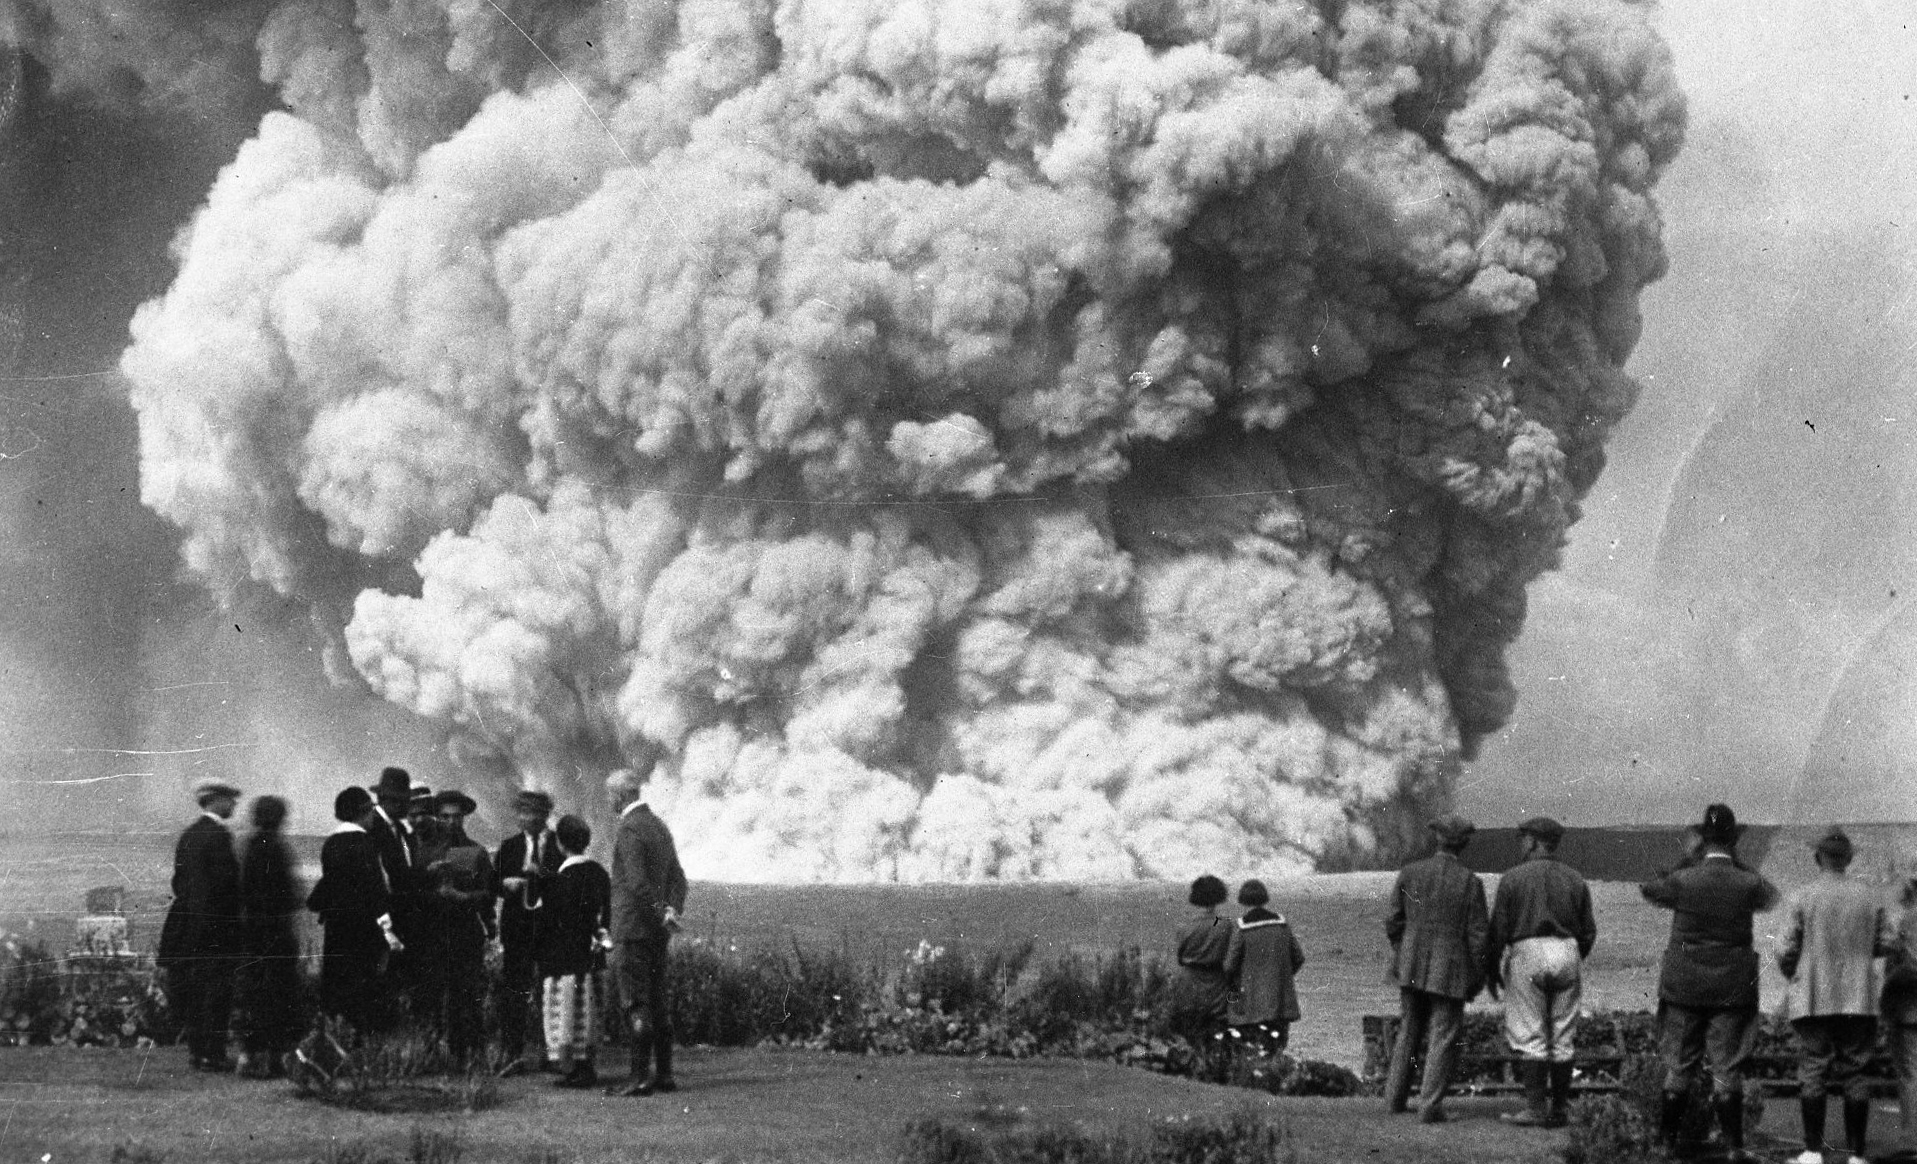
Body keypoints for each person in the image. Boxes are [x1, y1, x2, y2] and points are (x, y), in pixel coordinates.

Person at [1638, 803, 1779, 1161]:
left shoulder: (1684, 880)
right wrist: (1737, 859)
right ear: (1732, 839)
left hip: (1684, 985)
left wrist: (1688, 859)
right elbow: (1770, 896)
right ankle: (1734, 1146)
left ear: (1702, 838)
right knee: (1726, 1067)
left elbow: (1650, 889)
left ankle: (1666, 1143)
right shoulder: (1748, 882)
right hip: (1732, 986)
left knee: (1679, 1066)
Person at [1777, 827, 1898, 1164]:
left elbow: (1785, 948)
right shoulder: (1869, 896)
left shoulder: (1802, 896)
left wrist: (1795, 975)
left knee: (1813, 1070)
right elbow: (1888, 942)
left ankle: (1813, 1152)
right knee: (1856, 1072)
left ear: (1818, 858)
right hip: (1859, 996)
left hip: (1814, 995)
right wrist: (1863, 953)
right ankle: (1856, 1156)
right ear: (1848, 859)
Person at [1486, 815, 1596, 1128]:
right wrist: (1573, 957)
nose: (1521, 845)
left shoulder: (1513, 878)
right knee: (1563, 1035)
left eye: (1523, 839)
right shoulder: (1575, 878)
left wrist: (1493, 971)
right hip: (1567, 950)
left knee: (1530, 1033)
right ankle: (1560, 1109)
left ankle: (1535, 1109)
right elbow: (1588, 930)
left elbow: (1498, 931)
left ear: (1533, 841)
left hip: (1528, 951)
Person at [1383, 813, 1490, 1124]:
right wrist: (1477, 974)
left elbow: (1393, 921)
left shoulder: (1410, 873)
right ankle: (1429, 1106)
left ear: (1437, 839)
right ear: (1464, 844)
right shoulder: (1470, 882)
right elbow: (1479, 936)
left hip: (1410, 964)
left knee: (1409, 1030)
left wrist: (1403, 951)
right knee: (1444, 1035)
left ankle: (1393, 1100)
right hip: (1450, 970)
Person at [604, 769, 687, 1097]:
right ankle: (664, 1075)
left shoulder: (628, 829)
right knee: (657, 1000)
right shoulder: (659, 826)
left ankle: (639, 1078)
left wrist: (657, 910)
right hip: (656, 932)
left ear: (621, 796)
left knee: (635, 1002)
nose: (609, 801)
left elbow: (636, 882)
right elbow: (679, 878)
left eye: (611, 795)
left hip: (631, 927)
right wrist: (670, 911)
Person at [155, 778, 244, 1072]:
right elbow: (225, 886)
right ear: (215, 800)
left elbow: (179, 882)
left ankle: (198, 1052)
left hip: (189, 925)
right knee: (217, 992)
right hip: (215, 927)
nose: (233, 804)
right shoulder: (219, 836)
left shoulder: (189, 835)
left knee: (195, 992)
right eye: (230, 798)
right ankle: (213, 1054)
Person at [308, 786, 404, 1035]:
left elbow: (329, 883)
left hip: (336, 927)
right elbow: (375, 887)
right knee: (363, 986)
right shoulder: (365, 843)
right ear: (363, 812)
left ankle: (335, 1039)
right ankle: (361, 1042)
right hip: (363, 928)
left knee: (337, 984)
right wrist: (388, 929)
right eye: (371, 809)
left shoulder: (330, 843)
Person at [536, 814, 612, 1088]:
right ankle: (586, 1065)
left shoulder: (562, 880)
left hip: (565, 958)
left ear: (559, 843)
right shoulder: (600, 873)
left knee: (569, 1012)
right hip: (592, 956)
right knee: (590, 1012)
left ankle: (572, 1067)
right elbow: (606, 916)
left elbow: (551, 923)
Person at [420, 790, 496, 1066]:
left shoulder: (476, 852)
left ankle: (468, 1054)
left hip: (465, 934)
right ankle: (429, 1055)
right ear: (437, 818)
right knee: (431, 997)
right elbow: (413, 895)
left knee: (467, 998)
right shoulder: (424, 851)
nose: (451, 822)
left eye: (457, 817)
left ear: (464, 818)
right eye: (445, 817)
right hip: (433, 934)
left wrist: (464, 898)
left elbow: (488, 894)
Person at [493, 788, 562, 1074]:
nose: (530, 818)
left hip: (548, 928)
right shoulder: (508, 847)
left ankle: (553, 1052)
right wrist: (504, 884)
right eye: (524, 812)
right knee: (515, 991)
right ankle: (513, 1053)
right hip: (518, 929)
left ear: (546, 815)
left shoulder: (560, 845)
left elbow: (567, 879)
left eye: (536, 812)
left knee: (550, 990)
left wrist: (541, 876)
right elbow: (491, 882)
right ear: (517, 816)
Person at [236, 795, 304, 1078]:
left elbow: (241, 890)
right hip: (277, 932)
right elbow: (293, 894)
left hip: (252, 932)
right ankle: (275, 1058)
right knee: (280, 995)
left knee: (254, 995)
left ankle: (249, 1055)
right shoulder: (280, 849)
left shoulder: (247, 848)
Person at [1222, 879, 1305, 1057]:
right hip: (1280, 1001)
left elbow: (1229, 966)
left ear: (1243, 901)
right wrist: (1281, 977)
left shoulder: (1242, 927)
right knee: (1277, 1049)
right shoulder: (1282, 924)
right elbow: (1298, 958)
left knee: (1252, 1051)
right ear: (1265, 898)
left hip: (1250, 1003)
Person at [367, 766, 421, 1010]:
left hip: (402, 919)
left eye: (405, 800)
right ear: (383, 799)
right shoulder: (371, 829)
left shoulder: (400, 831)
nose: (405, 806)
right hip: (382, 920)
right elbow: (374, 878)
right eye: (399, 801)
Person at [1169, 874, 1232, 1071]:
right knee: (1216, 1034)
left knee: (1191, 1032)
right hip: (1217, 984)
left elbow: (1179, 958)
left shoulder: (1185, 926)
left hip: (1189, 983)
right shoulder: (1224, 924)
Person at [1884, 866, 1917, 1155]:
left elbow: (1908, 965)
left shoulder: (1907, 919)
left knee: (1908, 1074)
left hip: (1909, 1007)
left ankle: (1911, 1142)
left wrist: (1886, 984)